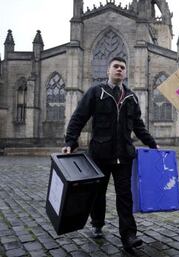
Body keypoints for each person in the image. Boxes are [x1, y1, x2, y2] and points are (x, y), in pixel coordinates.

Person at [62, 56, 158, 251]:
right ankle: (97, 222)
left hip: (124, 155)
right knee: (99, 193)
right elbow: (79, 117)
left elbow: (138, 125)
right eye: (116, 67)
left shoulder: (131, 97)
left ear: (125, 73)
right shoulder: (96, 92)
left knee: (125, 196)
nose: (119, 70)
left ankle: (129, 236)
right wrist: (70, 142)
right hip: (100, 153)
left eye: (122, 67)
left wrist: (152, 144)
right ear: (108, 71)